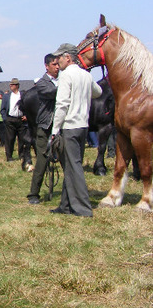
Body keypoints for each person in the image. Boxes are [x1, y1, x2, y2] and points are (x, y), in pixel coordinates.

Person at [50, 43, 102, 217]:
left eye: (59, 58)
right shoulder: (85, 75)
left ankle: (82, 208)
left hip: (69, 127)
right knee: (71, 166)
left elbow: (62, 104)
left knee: (74, 166)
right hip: (83, 127)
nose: (57, 61)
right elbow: (98, 92)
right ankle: (65, 205)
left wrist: (55, 129)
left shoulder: (66, 76)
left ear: (68, 57)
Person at [27, 54, 60, 204]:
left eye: (58, 64)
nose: (57, 67)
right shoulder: (42, 83)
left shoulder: (62, 80)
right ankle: (34, 193)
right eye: (54, 64)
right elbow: (52, 93)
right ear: (47, 66)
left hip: (60, 126)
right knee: (42, 160)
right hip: (45, 126)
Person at [0, 78, 29, 162]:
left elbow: (27, 107)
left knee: (22, 139)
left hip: (21, 120)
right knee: (10, 139)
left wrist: (26, 115)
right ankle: (9, 157)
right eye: (10, 85)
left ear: (17, 86)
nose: (10, 86)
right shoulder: (6, 96)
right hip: (10, 119)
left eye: (12, 85)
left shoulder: (22, 95)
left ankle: (22, 155)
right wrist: (5, 118)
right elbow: (3, 109)